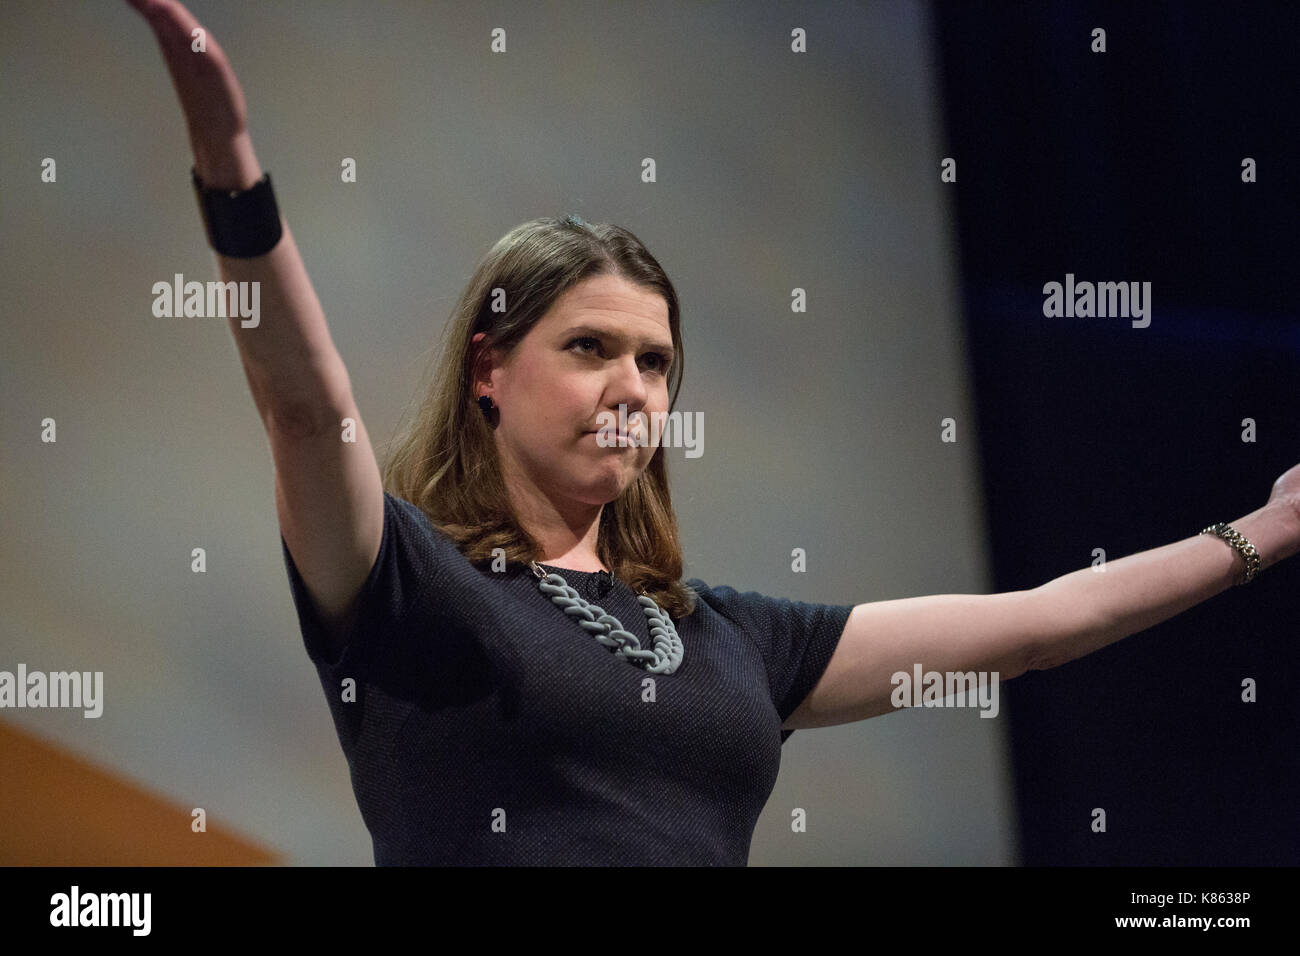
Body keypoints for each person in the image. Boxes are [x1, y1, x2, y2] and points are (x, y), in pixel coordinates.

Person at [126, 0, 1300, 866]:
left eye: (657, 361)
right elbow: (300, 402)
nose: (633, 384)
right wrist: (231, 171)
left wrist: (1264, 528)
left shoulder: (734, 636)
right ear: (489, 365)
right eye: (591, 347)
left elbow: (1034, 628)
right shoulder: (406, 585)